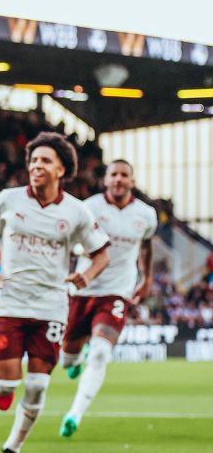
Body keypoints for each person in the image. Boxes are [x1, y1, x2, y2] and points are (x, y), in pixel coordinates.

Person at [0, 132, 110, 453]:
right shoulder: (8, 200)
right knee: (7, 383)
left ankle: (12, 448)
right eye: (34, 160)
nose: (37, 166)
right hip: (10, 301)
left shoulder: (76, 212)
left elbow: (102, 254)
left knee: (36, 385)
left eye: (45, 161)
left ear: (61, 170)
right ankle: (2, 388)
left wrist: (87, 276)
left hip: (51, 306)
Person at [60, 159, 156, 437]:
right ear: (106, 180)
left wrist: (146, 279)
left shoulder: (146, 215)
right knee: (67, 359)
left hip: (117, 291)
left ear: (132, 181)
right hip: (83, 289)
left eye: (124, 175)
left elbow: (146, 247)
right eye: (114, 174)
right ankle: (75, 362)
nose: (118, 179)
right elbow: (74, 240)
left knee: (101, 352)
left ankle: (74, 415)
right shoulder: (89, 207)